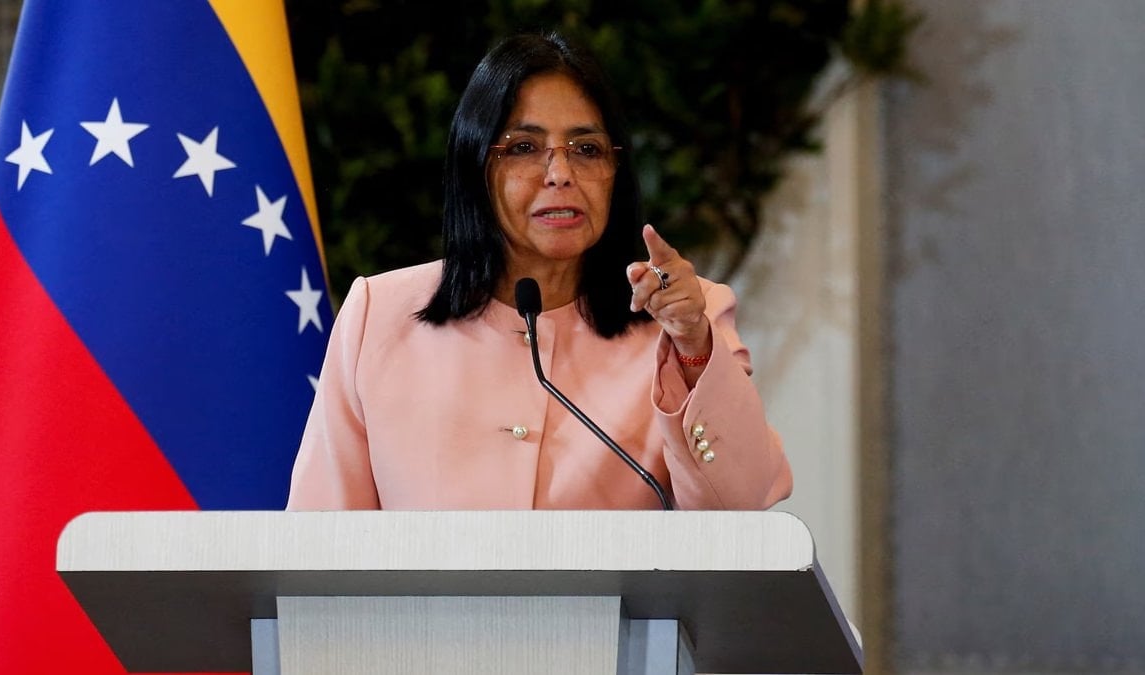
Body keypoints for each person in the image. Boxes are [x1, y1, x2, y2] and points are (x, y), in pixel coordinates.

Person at [286, 30, 792, 510]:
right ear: (476, 166)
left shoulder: (685, 317)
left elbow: (740, 504)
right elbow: (320, 537)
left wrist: (692, 346)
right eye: (523, 148)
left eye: (587, 150)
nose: (560, 174)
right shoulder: (378, 315)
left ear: (616, 172)